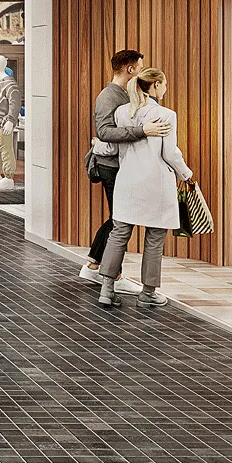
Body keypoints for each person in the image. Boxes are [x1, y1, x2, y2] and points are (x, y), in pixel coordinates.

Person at [97, 67, 193, 309]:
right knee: (155, 238)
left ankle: (106, 290)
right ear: (156, 85)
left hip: (127, 181)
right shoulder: (166, 115)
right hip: (155, 183)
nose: (166, 88)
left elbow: (115, 144)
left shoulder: (122, 112)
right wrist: (186, 174)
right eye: (165, 84)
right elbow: (170, 153)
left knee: (119, 234)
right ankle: (148, 293)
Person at [79, 49, 171, 293]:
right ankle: (111, 275)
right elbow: (105, 132)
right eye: (140, 68)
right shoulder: (109, 97)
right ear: (130, 69)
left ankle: (95, 265)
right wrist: (143, 131)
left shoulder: (125, 95)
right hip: (110, 166)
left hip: (122, 165)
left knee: (118, 219)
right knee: (120, 221)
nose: (142, 72)